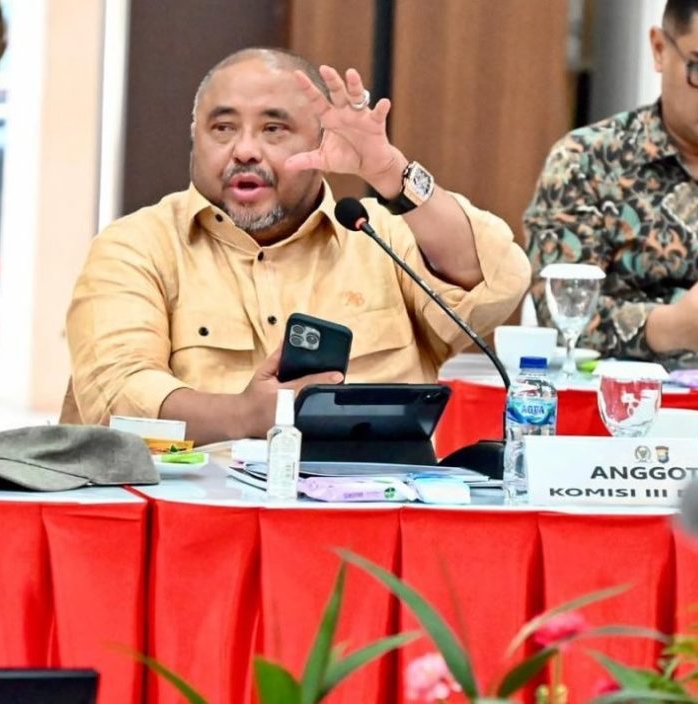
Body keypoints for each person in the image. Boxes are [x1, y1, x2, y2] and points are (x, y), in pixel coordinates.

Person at [62, 48, 529, 443]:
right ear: (194, 137)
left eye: (274, 129)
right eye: (222, 128)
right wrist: (248, 415)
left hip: (371, 510)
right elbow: (116, 395)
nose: (245, 150)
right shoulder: (136, 246)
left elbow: (495, 288)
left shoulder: (379, 235)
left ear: (323, 139)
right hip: (194, 509)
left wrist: (391, 172)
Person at [525, 0, 698, 363]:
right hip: (620, 395)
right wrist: (666, 327)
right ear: (659, 49)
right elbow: (556, 311)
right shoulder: (587, 161)